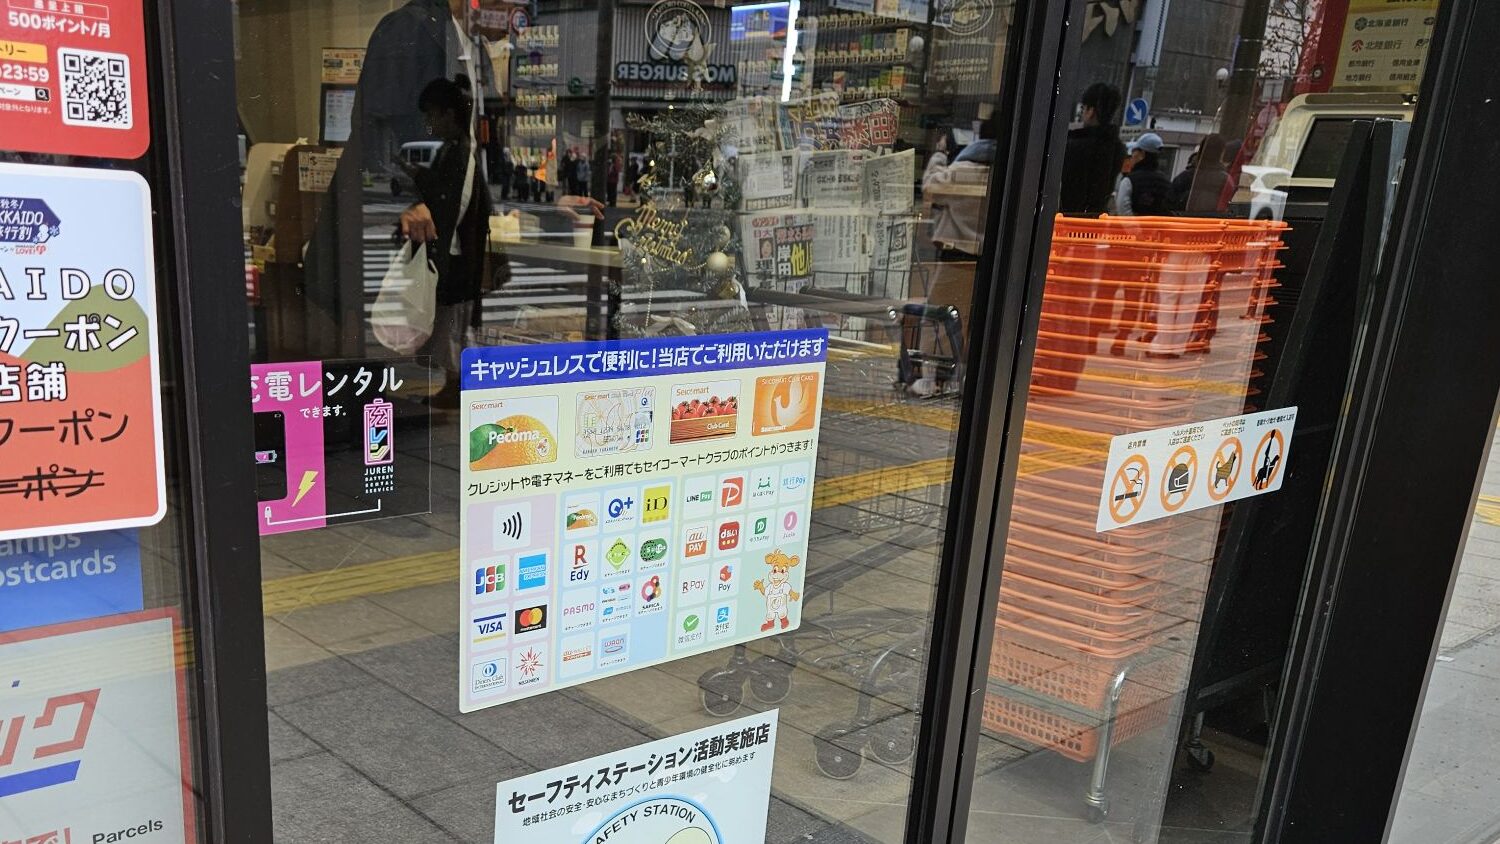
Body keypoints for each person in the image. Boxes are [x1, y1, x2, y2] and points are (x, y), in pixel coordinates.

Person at [399, 76, 494, 406]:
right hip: (455, 255)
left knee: (453, 322)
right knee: (451, 323)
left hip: (456, 257)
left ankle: (456, 386)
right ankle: (454, 384)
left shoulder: (461, 154)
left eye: (432, 115)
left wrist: (417, 177)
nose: (429, 122)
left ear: (449, 114)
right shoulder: (456, 151)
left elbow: (452, 204)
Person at [1059, 82, 1126, 214]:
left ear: (1090, 111)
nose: (1082, 113)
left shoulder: (1074, 147)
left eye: (1083, 108)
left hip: (1069, 218)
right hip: (1098, 220)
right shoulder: (1118, 148)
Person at [1116, 132, 1172, 216]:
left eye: (1134, 151)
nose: (1132, 156)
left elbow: (1123, 210)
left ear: (1142, 154)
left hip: (1135, 224)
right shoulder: (1166, 181)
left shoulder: (1130, 180)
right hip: (1159, 224)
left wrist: (1136, 224)